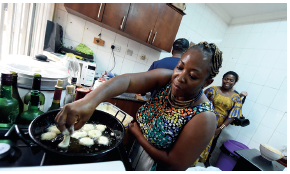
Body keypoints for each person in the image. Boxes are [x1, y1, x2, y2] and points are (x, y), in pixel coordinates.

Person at [54, 41, 223, 171]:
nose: (180, 77)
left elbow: (175, 164)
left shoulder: (204, 118)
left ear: (207, 82)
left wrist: (138, 135)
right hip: (131, 157)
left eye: (193, 76)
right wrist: (89, 101)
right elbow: (126, 81)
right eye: (180, 67)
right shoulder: (167, 79)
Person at [203, 71, 244, 167]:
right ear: (222, 79)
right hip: (204, 121)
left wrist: (220, 129)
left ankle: (205, 159)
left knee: (212, 143)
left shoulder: (236, 98)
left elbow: (232, 116)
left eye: (231, 80)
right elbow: (201, 103)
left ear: (234, 82)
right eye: (226, 79)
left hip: (218, 125)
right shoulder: (212, 90)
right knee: (198, 138)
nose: (228, 81)